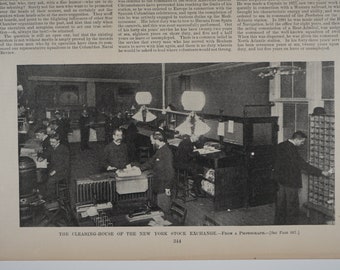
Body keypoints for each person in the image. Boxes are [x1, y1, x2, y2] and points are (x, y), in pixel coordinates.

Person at [273, 131, 332, 225]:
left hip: (280, 181)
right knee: (292, 207)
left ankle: (278, 225)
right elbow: (301, 164)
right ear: (297, 139)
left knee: (281, 206)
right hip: (290, 182)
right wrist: (321, 172)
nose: (302, 144)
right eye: (302, 141)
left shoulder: (281, 145)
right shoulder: (292, 149)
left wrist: (301, 163)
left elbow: (286, 162)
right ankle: (291, 229)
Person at [141, 131, 175, 215]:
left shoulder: (166, 152)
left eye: (152, 141)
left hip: (164, 186)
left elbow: (170, 171)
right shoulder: (159, 150)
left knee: (164, 211)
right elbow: (151, 162)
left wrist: (167, 187)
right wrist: (139, 168)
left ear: (157, 140)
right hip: (158, 185)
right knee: (159, 208)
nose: (151, 143)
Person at [47, 133, 70, 201]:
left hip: (62, 171)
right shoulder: (52, 147)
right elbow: (47, 153)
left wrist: (55, 171)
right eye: (50, 142)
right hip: (54, 168)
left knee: (50, 181)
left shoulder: (64, 149)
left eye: (53, 142)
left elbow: (65, 164)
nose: (51, 144)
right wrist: (42, 157)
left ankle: (52, 199)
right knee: (43, 175)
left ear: (58, 141)